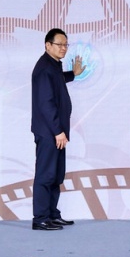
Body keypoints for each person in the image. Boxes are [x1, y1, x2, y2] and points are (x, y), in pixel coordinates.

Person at [31, 29, 85, 231]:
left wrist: (73, 74)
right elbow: (46, 103)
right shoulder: (45, 67)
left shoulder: (53, 65)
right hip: (49, 132)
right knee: (46, 175)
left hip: (56, 131)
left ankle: (52, 214)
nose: (63, 48)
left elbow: (57, 79)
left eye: (65, 45)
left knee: (55, 175)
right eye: (59, 44)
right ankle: (40, 219)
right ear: (48, 45)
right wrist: (57, 131)